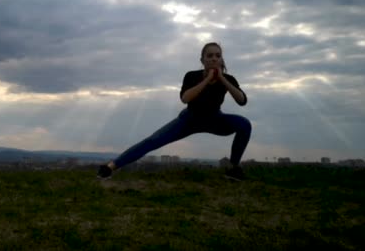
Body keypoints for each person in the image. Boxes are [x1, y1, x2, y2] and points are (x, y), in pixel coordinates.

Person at [97, 42, 252, 181]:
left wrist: (222, 79)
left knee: (244, 124)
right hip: (189, 120)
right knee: (153, 140)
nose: (214, 59)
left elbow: (242, 100)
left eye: (218, 56)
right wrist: (206, 79)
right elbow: (185, 98)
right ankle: (111, 167)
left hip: (214, 120)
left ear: (221, 59)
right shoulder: (192, 76)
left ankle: (234, 169)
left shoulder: (229, 79)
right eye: (209, 56)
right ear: (202, 60)